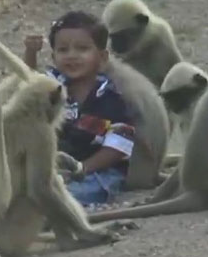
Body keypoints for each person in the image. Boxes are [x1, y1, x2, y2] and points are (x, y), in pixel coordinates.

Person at [23, 11, 135, 206]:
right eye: (63, 50)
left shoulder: (112, 97)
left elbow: (117, 147)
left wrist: (82, 169)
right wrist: (30, 53)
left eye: (82, 49)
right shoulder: (54, 85)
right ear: (53, 55)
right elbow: (26, 86)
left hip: (97, 170)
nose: (72, 56)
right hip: (53, 165)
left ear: (102, 57)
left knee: (81, 193)